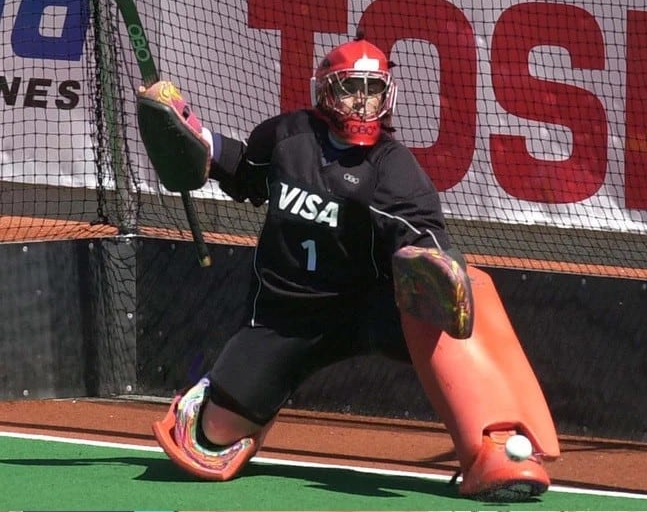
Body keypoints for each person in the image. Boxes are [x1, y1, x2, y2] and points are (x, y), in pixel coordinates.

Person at [137, 32, 560, 502]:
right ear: (325, 91)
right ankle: (234, 401)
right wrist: (185, 129)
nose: (362, 101)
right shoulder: (285, 136)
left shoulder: (395, 169)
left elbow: (425, 238)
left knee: (458, 290)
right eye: (349, 87)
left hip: (371, 311)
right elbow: (244, 174)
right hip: (283, 319)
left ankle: (498, 449)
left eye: (373, 88)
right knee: (211, 438)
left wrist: (438, 263)